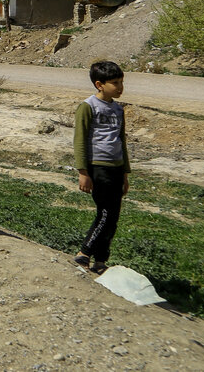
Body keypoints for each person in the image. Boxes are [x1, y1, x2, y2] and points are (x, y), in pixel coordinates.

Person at [73, 61, 129, 274]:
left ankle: (101, 260)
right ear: (99, 84)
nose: (120, 87)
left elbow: (121, 141)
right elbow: (80, 140)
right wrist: (83, 172)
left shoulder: (118, 109)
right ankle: (84, 252)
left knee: (113, 216)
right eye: (115, 83)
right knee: (105, 213)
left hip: (116, 168)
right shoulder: (88, 107)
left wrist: (125, 174)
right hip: (98, 167)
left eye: (121, 82)